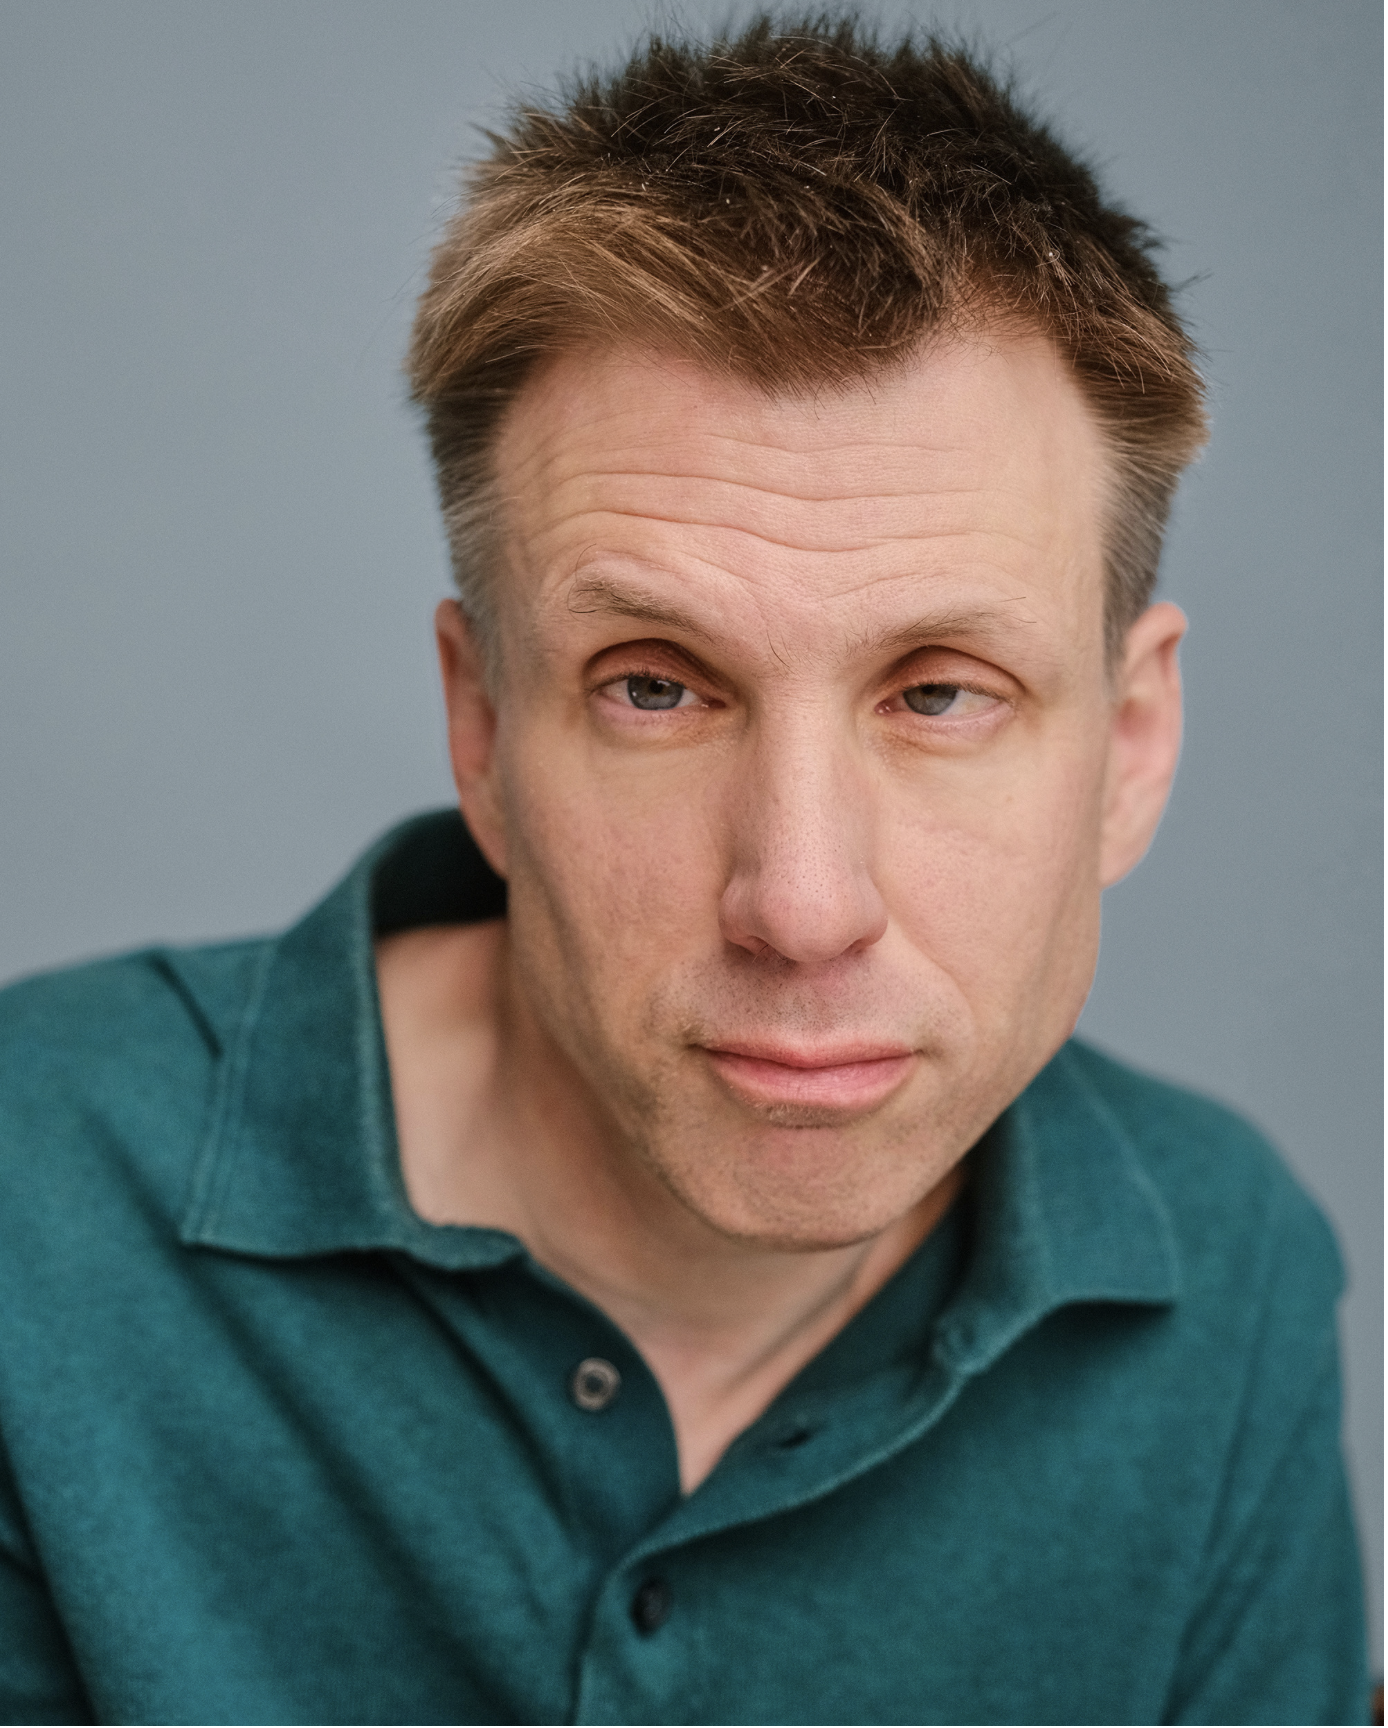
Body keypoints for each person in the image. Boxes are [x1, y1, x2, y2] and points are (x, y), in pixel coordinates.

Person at [0, 15, 1367, 1725]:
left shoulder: (1216, 1278)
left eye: (940, 693)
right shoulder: (24, 1206)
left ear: (1134, 743)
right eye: (656, 685)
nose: (799, 903)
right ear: (485, 725)